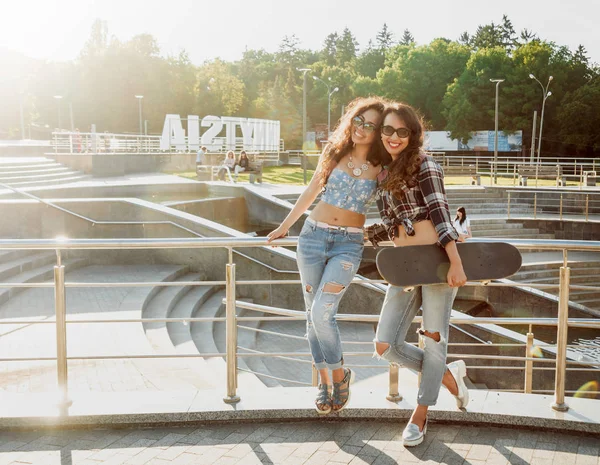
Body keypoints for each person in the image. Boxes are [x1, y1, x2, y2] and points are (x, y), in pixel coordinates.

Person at [267, 97, 386, 414]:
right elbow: (310, 191)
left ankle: (339, 376)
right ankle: (325, 384)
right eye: (358, 120)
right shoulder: (334, 152)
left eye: (370, 125)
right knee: (312, 315)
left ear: (378, 132)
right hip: (312, 238)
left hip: (348, 245)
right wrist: (283, 228)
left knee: (322, 312)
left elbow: (393, 202)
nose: (361, 129)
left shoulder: (383, 166)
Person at [365, 102, 469, 447]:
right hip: (405, 266)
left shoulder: (425, 163)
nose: (394, 137)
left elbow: (440, 213)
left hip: (438, 262)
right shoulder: (381, 173)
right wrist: (363, 234)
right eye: (388, 130)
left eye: (401, 131)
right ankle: (449, 378)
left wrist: (456, 262)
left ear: (413, 134)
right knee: (385, 345)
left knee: (434, 341)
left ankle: (420, 415)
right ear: (381, 133)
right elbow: (391, 224)